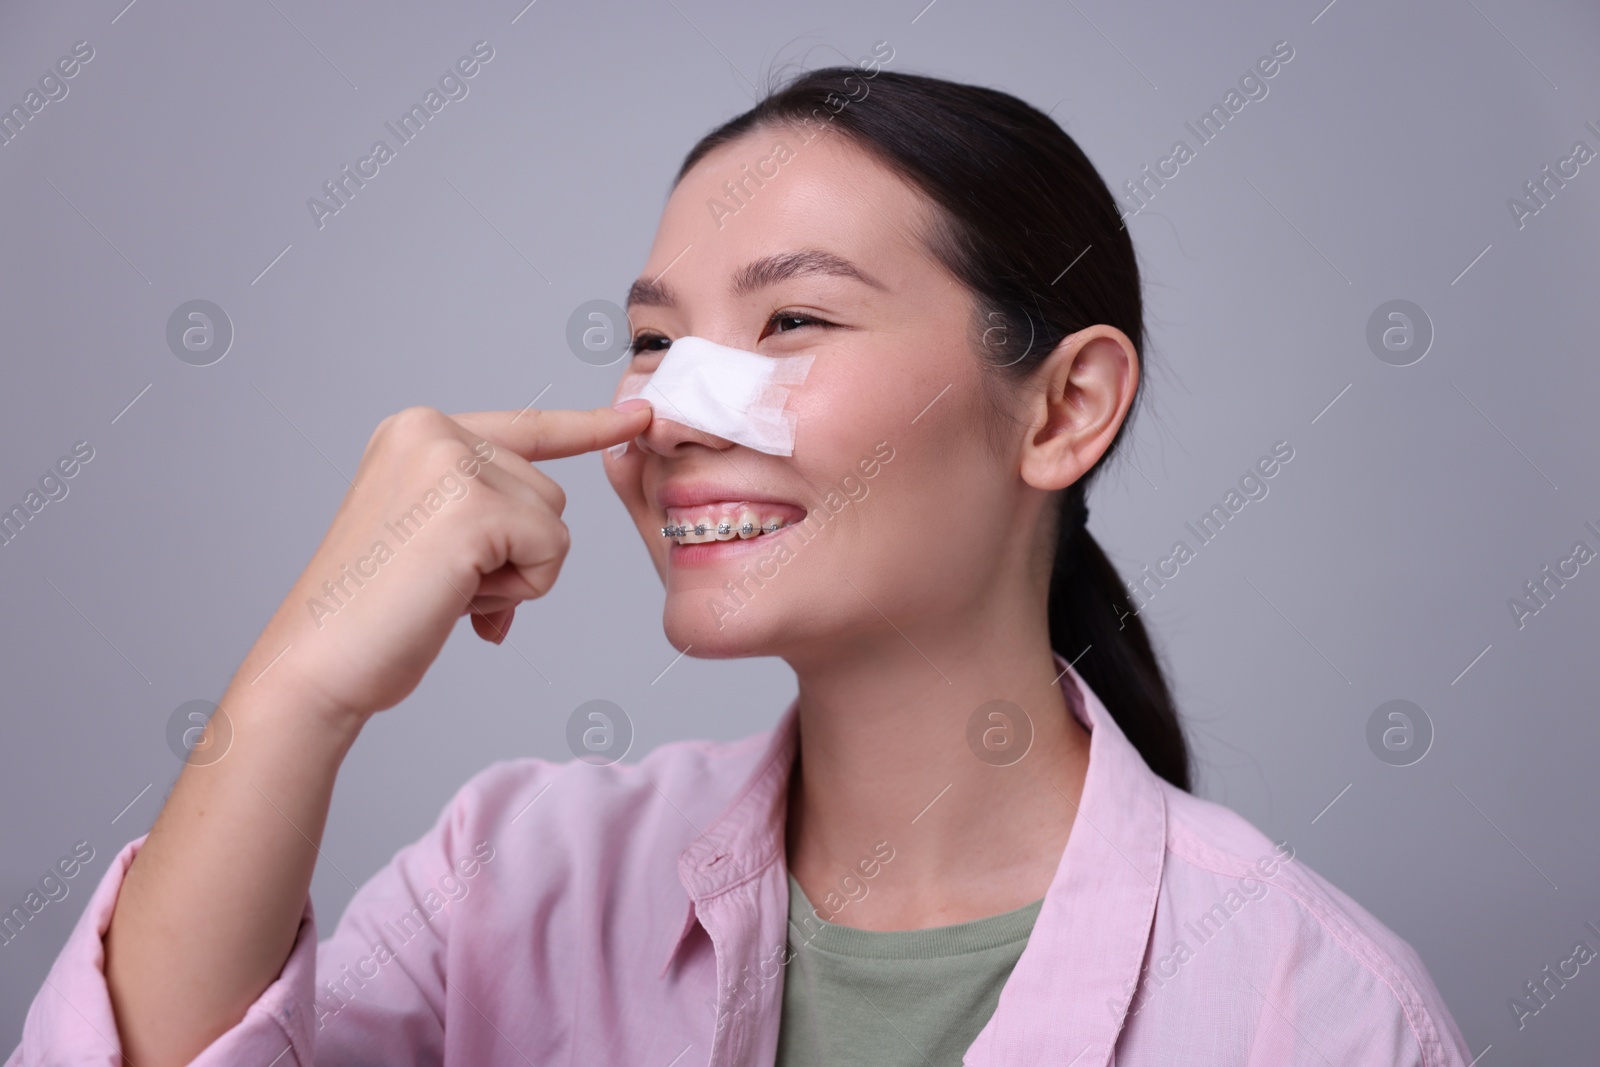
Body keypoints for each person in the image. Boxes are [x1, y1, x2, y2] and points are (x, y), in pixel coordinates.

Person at [8, 66, 1472, 1066]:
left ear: (1063, 406)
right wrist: (301, 684)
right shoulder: (508, 883)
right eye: (655, 341)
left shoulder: (1310, 1005)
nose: (674, 410)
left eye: (792, 325)